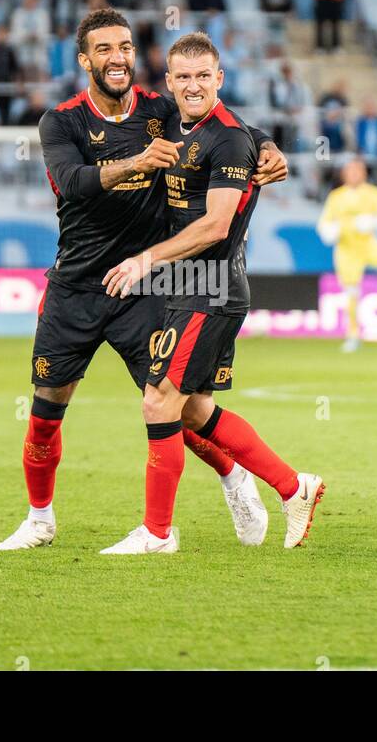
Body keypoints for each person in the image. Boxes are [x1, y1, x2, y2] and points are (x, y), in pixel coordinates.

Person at [0, 10, 289, 552]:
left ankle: (233, 480)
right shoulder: (60, 122)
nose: (117, 58)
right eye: (104, 49)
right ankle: (39, 519)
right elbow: (74, 183)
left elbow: (226, 125)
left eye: (125, 47)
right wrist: (138, 162)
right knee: (44, 410)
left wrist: (268, 146)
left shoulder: (159, 109)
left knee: (180, 407)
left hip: (148, 287)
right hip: (77, 287)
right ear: (85, 60)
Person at [99, 32, 324, 554]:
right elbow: (252, 133)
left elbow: (217, 225)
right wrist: (267, 141)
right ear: (170, 82)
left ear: (219, 79)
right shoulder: (184, 124)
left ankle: (157, 534)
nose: (193, 85)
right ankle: (295, 488)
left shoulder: (225, 137)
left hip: (210, 288)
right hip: (187, 287)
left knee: (158, 403)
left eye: (204, 76)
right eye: (183, 77)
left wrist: (144, 259)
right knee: (194, 410)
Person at [318, 158, 377, 353]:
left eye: (357, 171)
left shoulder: (374, 194)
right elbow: (324, 223)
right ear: (344, 174)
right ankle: (352, 335)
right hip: (346, 249)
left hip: (369, 244)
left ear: (364, 173)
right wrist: (329, 231)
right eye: (350, 171)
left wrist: (374, 222)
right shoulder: (336, 196)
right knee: (351, 293)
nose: (353, 174)